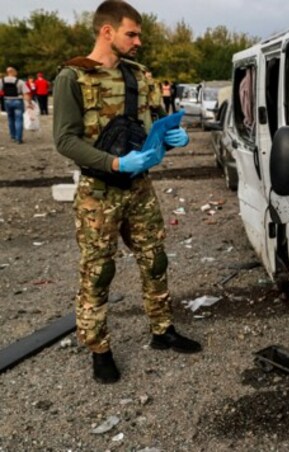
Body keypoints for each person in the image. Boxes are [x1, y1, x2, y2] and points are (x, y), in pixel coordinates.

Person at [52, 0, 199, 385]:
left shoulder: (139, 76)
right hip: (98, 192)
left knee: (155, 260)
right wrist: (115, 164)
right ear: (107, 31)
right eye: (131, 33)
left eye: (138, 34)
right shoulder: (73, 77)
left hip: (139, 188)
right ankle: (99, 349)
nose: (138, 41)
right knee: (99, 271)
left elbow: (150, 130)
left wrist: (170, 138)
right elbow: (65, 140)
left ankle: (162, 329)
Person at [3, 67, 33, 143]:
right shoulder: (20, 82)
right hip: (17, 100)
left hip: (7, 101)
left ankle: (13, 136)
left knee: (10, 119)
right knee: (19, 119)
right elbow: (25, 94)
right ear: (13, 72)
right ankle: (18, 138)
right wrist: (29, 103)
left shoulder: (2, 81)